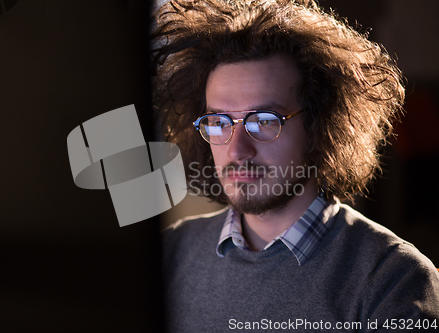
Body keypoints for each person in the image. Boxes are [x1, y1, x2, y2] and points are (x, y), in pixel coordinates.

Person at [151, 0, 439, 331]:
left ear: (320, 127)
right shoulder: (171, 252)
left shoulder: (394, 280)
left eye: (263, 120)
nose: (237, 149)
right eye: (219, 122)